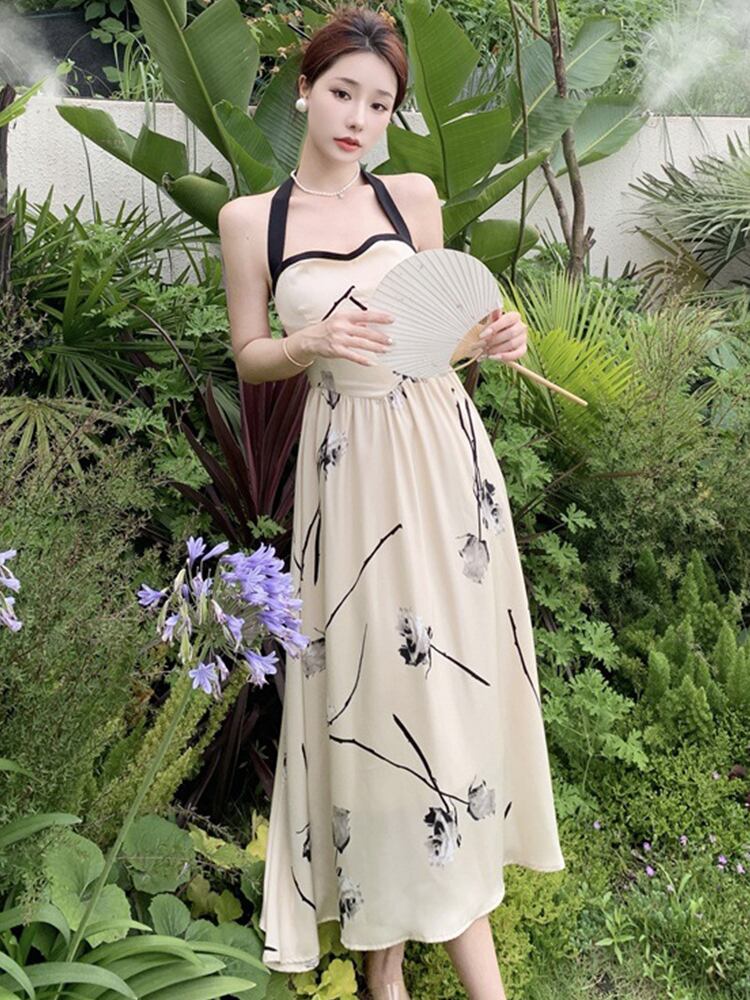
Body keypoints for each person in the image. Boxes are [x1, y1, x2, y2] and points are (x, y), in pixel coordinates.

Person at [218, 6, 565, 998]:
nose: (358, 119)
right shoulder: (253, 221)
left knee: (447, 688)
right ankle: (384, 957)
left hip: (443, 459)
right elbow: (249, 356)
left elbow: (441, 335)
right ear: (303, 90)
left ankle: (423, 953)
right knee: (372, 690)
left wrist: (498, 339)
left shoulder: (411, 199)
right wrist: (311, 343)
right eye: (343, 93)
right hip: (349, 468)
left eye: (380, 104)